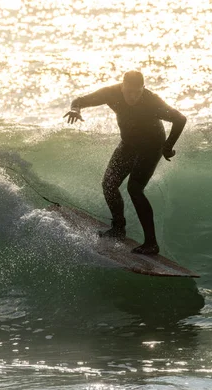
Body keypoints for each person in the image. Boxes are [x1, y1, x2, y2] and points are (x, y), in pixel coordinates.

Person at [63, 71, 186, 255]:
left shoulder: (152, 102)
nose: (132, 96)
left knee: (134, 189)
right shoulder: (111, 93)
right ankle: (118, 228)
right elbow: (79, 100)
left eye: (137, 92)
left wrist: (168, 146)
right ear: (122, 87)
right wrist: (75, 110)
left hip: (152, 146)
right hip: (128, 145)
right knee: (109, 184)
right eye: (129, 91)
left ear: (143, 89)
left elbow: (180, 119)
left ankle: (151, 244)